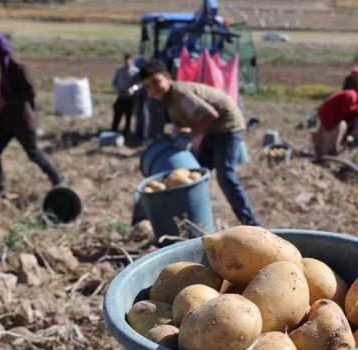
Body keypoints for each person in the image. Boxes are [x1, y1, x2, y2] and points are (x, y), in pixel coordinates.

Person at [138, 60, 260, 226]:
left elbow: (210, 115)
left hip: (227, 126)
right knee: (196, 173)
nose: (153, 89)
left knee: (226, 177)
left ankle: (252, 223)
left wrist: (194, 135)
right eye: (148, 86)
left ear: (167, 77)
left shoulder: (180, 93)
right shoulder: (169, 100)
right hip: (212, 130)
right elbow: (184, 123)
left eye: (156, 82)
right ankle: (191, 219)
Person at [0, 33, 64, 197]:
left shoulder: (16, 67)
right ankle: (0, 188)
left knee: (33, 153)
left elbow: (30, 92)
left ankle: (58, 179)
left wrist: (6, 101)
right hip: (4, 120)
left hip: (22, 120)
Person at [313, 83, 358, 161]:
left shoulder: (352, 94)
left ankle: (327, 153)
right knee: (327, 138)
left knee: (340, 128)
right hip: (330, 115)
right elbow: (347, 111)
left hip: (329, 114)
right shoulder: (352, 95)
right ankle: (324, 156)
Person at [111, 54, 139, 137]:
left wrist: (133, 89)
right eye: (126, 60)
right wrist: (117, 90)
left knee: (128, 116)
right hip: (121, 96)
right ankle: (114, 130)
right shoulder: (120, 70)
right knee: (117, 114)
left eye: (129, 61)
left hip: (130, 97)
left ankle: (126, 133)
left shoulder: (136, 71)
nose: (127, 62)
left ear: (132, 61)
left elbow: (139, 84)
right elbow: (114, 82)